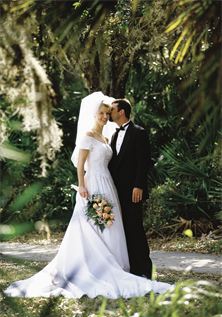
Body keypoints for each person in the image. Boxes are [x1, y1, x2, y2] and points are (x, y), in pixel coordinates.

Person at [4, 92, 172, 298]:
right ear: (94, 115)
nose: (105, 116)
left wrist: (137, 185)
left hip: (111, 186)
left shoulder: (111, 136)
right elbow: (81, 164)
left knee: (116, 226)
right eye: (102, 113)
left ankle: (131, 268)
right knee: (95, 226)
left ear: (119, 112)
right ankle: (97, 267)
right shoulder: (88, 136)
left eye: (107, 113)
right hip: (94, 185)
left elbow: (140, 161)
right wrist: (83, 186)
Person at [109, 98, 153, 279]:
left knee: (135, 227)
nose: (109, 112)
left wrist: (138, 185)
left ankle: (144, 269)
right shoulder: (113, 135)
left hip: (133, 190)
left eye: (112, 110)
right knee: (122, 229)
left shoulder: (139, 133)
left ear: (121, 112)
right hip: (115, 191)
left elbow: (144, 162)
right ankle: (131, 269)